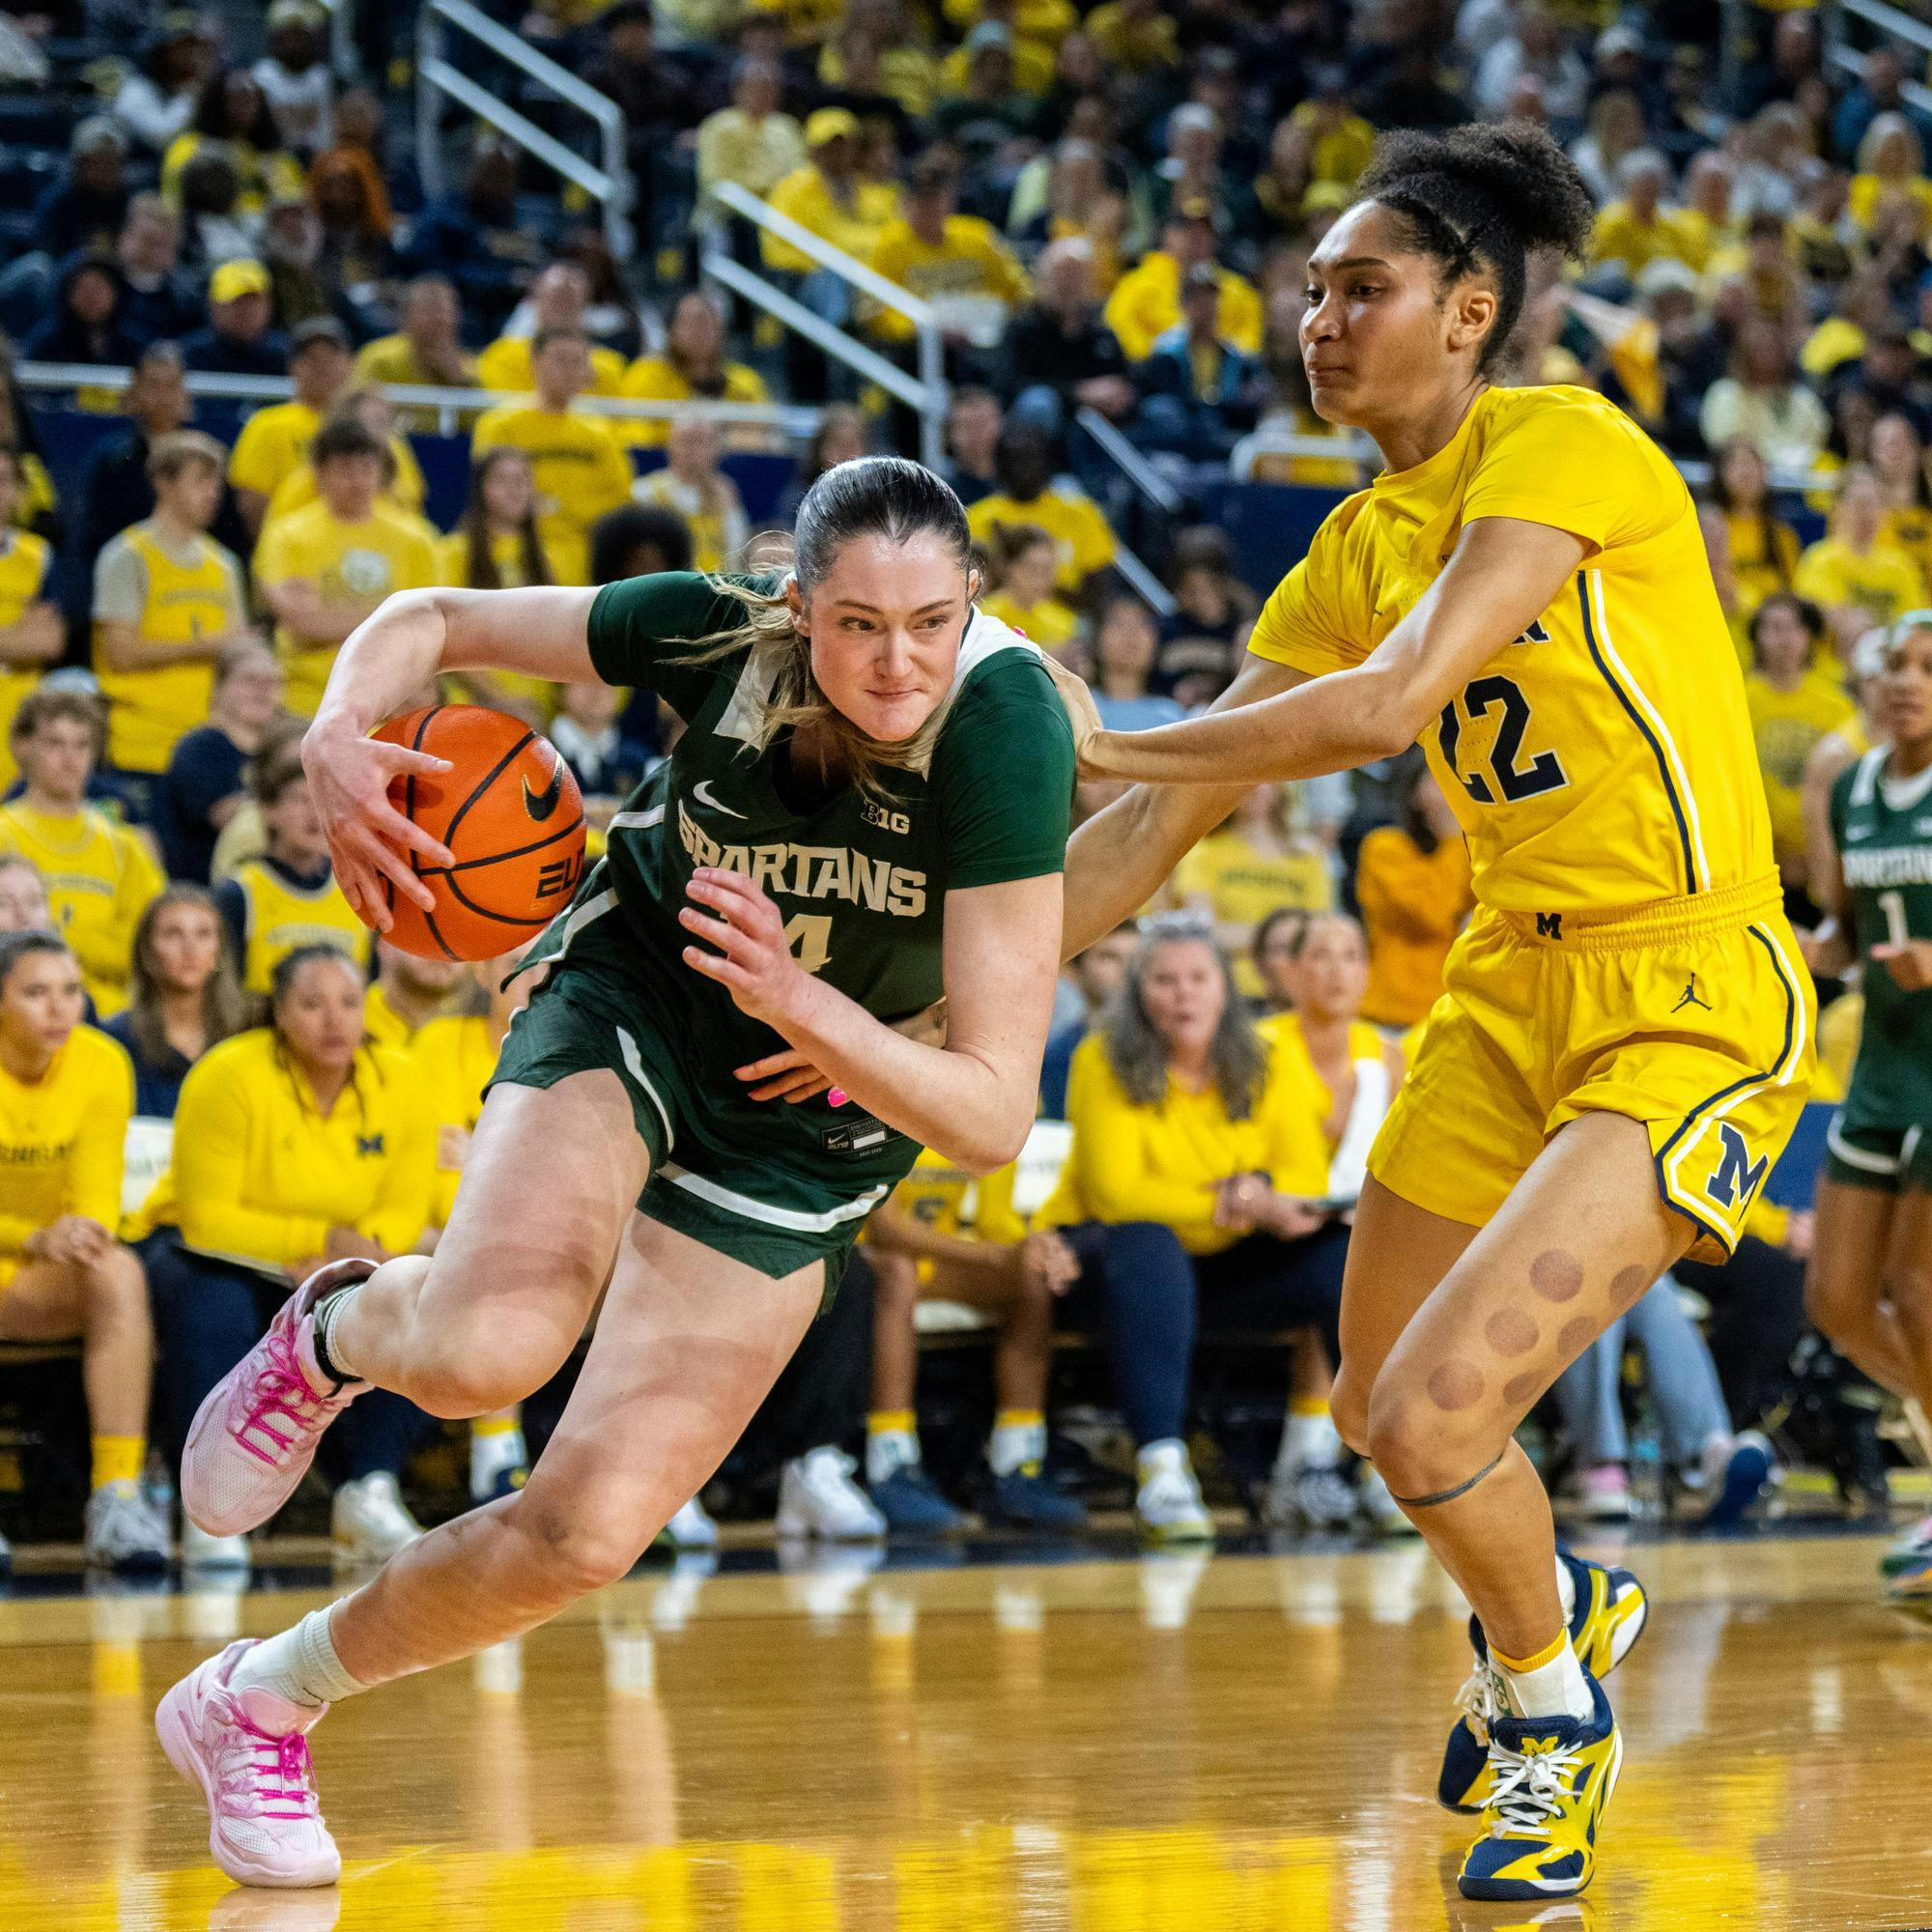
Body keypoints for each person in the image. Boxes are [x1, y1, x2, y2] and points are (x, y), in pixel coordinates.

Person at [1058, 123, 1813, 1899]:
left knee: (1429, 1421)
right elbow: (1156, 832)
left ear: (1472, 311)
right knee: (1379, 1409)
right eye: (1313, 289)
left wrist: (1097, 723)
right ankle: (1569, 1610)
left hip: (1686, 984)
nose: (1320, 319)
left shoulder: (1563, 444)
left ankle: (1554, 1717)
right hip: (1503, 985)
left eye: (1364, 288)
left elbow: (1392, 709)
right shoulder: (1346, 544)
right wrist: (930, 980)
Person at [156, 455, 1076, 1888]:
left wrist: (808, 1007)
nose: (896, 663)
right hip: (637, 991)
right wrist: (338, 727)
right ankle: (337, 1329)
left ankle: (258, 1701)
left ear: (972, 607)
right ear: (795, 604)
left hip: (807, 1118)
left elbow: (994, 1111)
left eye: (930, 623)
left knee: (585, 1535)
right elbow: (433, 612)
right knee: (483, 1351)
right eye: (857, 625)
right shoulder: (712, 631)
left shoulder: (1006, 733)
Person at [1037, 920, 1346, 1542]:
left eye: (1199, 978)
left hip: (1227, 1273)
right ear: (1138, 993)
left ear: (1226, 990)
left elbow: (1307, 1170)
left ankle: (1373, 1465)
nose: (1184, 994)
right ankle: (1162, 1471)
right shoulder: (1101, 1057)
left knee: (1342, 1253)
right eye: (1165, 980)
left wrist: (1259, 1194)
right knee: (1147, 1240)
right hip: (1110, 1271)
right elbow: (1117, 1194)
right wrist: (1240, 1202)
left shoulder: (1271, 1057)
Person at [136, 945, 438, 1569]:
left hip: (335, 1265)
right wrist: (319, 1241)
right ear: (277, 1011)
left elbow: (407, 1208)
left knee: (408, 1289)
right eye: (312, 1003)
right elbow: (206, 1216)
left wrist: (351, 1253)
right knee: (214, 1303)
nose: (334, 1020)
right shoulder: (227, 1073)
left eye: (349, 1002)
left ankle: (369, 1489)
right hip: (221, 1260)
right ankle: (212, 1512)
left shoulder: (405, 1077)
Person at [1802, 613, 1932, 1608]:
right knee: (1838, 1302)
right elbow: (1845, 933)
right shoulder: (1847, 785)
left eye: (1927, 667)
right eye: (1895, 662)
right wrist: (1799, 953)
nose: (1908, 680)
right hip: (1884, 1062)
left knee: (1919, 1288)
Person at [0, 930, 169, 1570]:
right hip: (26, 1248)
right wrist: (34, 1235)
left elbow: (98, 1199)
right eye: (36, 993)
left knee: (117, 1269)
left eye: (71, 991)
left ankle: (118, 1496)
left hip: (40, 1273)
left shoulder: (102, 1060)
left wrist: (74, 1232)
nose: (59, 1008)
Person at [1254, 912, 1412, 1534]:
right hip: (1268, 1230)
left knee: (1370, 1265)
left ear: (1368, 972)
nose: (1336, 970)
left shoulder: (1391, 1056)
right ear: (1288, 971)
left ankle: (1350, 1465)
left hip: (1358, 1230)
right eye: (1319, 955)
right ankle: (1323, 1463)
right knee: (1346, 1274)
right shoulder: (1260, 1046)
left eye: (1350, 955)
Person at [862, 1146, 1087, 1534]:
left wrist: (1034, 1252)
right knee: (899, 1272)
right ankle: (890, 1466)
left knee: (1029, 1280)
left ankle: (1017, 1467)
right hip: (859, 1257)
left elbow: (997, 1220)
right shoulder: (884, 1097)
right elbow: (887, 1229)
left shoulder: (979, 1104)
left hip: (933, 1262)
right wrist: (994, 1256)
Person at [93, 431, 252, 798]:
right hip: (140, 744)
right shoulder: (125, 556)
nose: (213, 493)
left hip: (206, 746)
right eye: (200, 480)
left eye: (216, 482)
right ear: (163, 483)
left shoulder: (223, 563)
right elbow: (121, 654)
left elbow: (236, 649)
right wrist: (206, 646)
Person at [253, 418, 440, 717]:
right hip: (308, 702)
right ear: (319, 473)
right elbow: (305, 625)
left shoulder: (417, 538)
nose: (357, 482)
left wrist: (331, 618)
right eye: (344, 470)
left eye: (366, 469)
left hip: (394, 704)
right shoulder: (288, 534)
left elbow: (431, 622)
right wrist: (395, 613)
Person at [0, 689, 162, 1016]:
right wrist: (98, 940)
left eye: (82, 745)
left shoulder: (124, 845)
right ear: (23, 747)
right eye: (55, 743)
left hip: (114, 1016)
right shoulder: (4, 833)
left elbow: (150, 946)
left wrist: (59, 933)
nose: (70, 757)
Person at [471, 329, 637, 587]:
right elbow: (487, 493)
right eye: (560, 360)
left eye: (578, 361)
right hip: (513, 550)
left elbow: (619, 500)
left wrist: (561, 507)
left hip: (584, 554)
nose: (570, 370)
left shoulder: (601, 432)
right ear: (535, 364)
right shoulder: (499, 424)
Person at [213, 739, 370, 1000]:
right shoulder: (238, 892)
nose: (314, 813)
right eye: (300, 799)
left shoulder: (356, 888)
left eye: (324, 800)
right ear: (268, 810)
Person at [1742, 592, 1856, 904]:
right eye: (1774, 628)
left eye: (1795, 628)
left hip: (1826, 861)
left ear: (1808, 636)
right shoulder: (1740, 700)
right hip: (1761, 866)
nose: (1785, 639)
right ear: (1757, 637)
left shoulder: (1836, 704)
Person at [1174, 783, 1333, 999]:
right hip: (1228, 991)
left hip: (1297, 990)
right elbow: (1201, 931)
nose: (1256, 789)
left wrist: (1241, 935)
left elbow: (1318, 932)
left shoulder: (1308, 857)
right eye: (1246, 780)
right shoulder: (1203, 852)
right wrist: (1282, 941)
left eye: (1265, 779)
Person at [435, 449, 556, 727]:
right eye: (501, 480)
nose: (514, 490)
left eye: (522, 480)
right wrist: (499, 699)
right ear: (480, 490)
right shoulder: (453, 552)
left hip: (536, 713)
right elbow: (444, 638)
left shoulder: (545, 560)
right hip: (472, 711)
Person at [103, 883, 246, 1122]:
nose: (189, 948)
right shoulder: (117, 1040)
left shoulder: (245, 1036)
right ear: (147, 951)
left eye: (203, 934)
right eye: (173, 934)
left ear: (219, 950)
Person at [1353, 765, 1474, 1030]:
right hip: (1392, 1016)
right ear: (1414, 792)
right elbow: (1430, 914)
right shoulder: (1384, 848)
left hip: (1455, 1012)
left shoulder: (1474, 852)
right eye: (1439, 779)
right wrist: (1454, 838)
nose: (1452, 790)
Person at [156, 640, 286, 885]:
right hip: (201, 890)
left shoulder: (285, 750)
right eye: (250, 680)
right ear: (218, 688)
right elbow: (232, 820)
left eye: (272, 682)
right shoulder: (198, 748)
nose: (263, 690)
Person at [227, 320, 356, 538]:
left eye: (332, 358)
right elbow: (252, 503)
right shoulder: (267, 424)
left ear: (350, 365)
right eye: (311, 359)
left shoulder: (366, 426)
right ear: (293, 367)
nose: (322, 367)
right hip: (291, 548)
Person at [965, 424, 1118, 604]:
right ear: (999, 465)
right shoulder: (974, 518)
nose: (1023, 468)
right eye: (1014, 459)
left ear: (1048, 462)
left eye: (1031, 458)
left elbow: (1101, 587)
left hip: (1068, 625)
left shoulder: (1080, 512)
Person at [1795, 466, 1929, 660]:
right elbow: (1840, 625)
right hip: (1836, 670)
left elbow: (1916, 626)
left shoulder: (1901, 565)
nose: (1867, 512)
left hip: (1891, 668)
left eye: (1874, 504)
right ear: (1838, 507)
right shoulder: (1821, 559)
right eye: (1859, 503)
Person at [622, 291, 771, 451]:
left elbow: (766, 434)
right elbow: (635, 439)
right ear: (670, 331)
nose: (700, 331)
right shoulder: (646, 374)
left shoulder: (746, 382)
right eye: (690, 323)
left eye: (708, 322)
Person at [0, 445, 61, 793]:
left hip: (16, 718)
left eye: (5, 480)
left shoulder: (37, 555)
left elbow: (48, 641)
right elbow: (30, 639)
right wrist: (18, 634)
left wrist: (31, 638)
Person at [635, 415, 750, 575]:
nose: (693, 450)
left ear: (717, 449)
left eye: (701, 442)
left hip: (715, 589)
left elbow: (738, 555)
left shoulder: (726, 495)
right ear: (670, 445)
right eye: (686, 441)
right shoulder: (645, 492)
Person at [1087, 595, 1182, 732]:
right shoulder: (1078, 709)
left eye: (1142, 623)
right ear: (1096, 640)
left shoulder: (1172, 716)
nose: (1131, 633)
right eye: (1118, 623)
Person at [979, 523, 1077, 654]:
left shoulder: (1064, 621)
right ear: (1009, 567)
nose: (1041, 580)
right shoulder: (986, 618)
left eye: (1048, 569)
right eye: (1032, 569)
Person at [363, 940, 467, 1051]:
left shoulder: (470, 1042)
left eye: (456, 940)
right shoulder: (350, 1030)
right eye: (422, 935)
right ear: (385, 945)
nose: (442, 950)